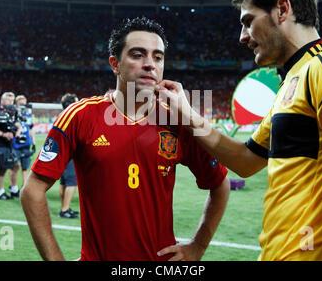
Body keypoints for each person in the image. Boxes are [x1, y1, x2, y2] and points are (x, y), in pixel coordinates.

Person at [156, 0, 322, 261]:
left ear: (282, 9)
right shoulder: (291, 82)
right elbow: (246, 161)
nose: (242, 36)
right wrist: (188, 115)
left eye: (248, 21)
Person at [21, 17, 230, 261]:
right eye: (138, 55)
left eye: (158, 57)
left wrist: (198, 245)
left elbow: (220, 184)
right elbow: (32, 190)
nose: (150, 64)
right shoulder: (80, 116)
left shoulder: (178, 121)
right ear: (115, 64)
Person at [0, 92, 22, 200]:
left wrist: (18, 131)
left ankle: (13, 188)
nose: (10, 102)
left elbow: (18, 125)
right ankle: (0, 192)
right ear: (2, 101)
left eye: (12, 100)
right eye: (8, 100)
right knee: (2, 169)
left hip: (9, 144)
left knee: (15, 165)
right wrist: (3, 134)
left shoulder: (11, 112)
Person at [58, 93, 79, 219]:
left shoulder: (62, 115)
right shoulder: (71, 116)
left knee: (64, 182)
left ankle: (64, 207)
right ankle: (65, 210)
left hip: (62, 153)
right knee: (71, 183)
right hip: (69, 154)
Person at [10, 95, 36, 198]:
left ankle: (24, 189)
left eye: (24, 103)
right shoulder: (12, 114)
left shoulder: (28, 114)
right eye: (20, 102)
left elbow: (31, 128)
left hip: (26, 144)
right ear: (16, 103)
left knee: (25, 168)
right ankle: (13, 188)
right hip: (15, 144)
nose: (22, 105)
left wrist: (33, 141)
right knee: (14, 167)